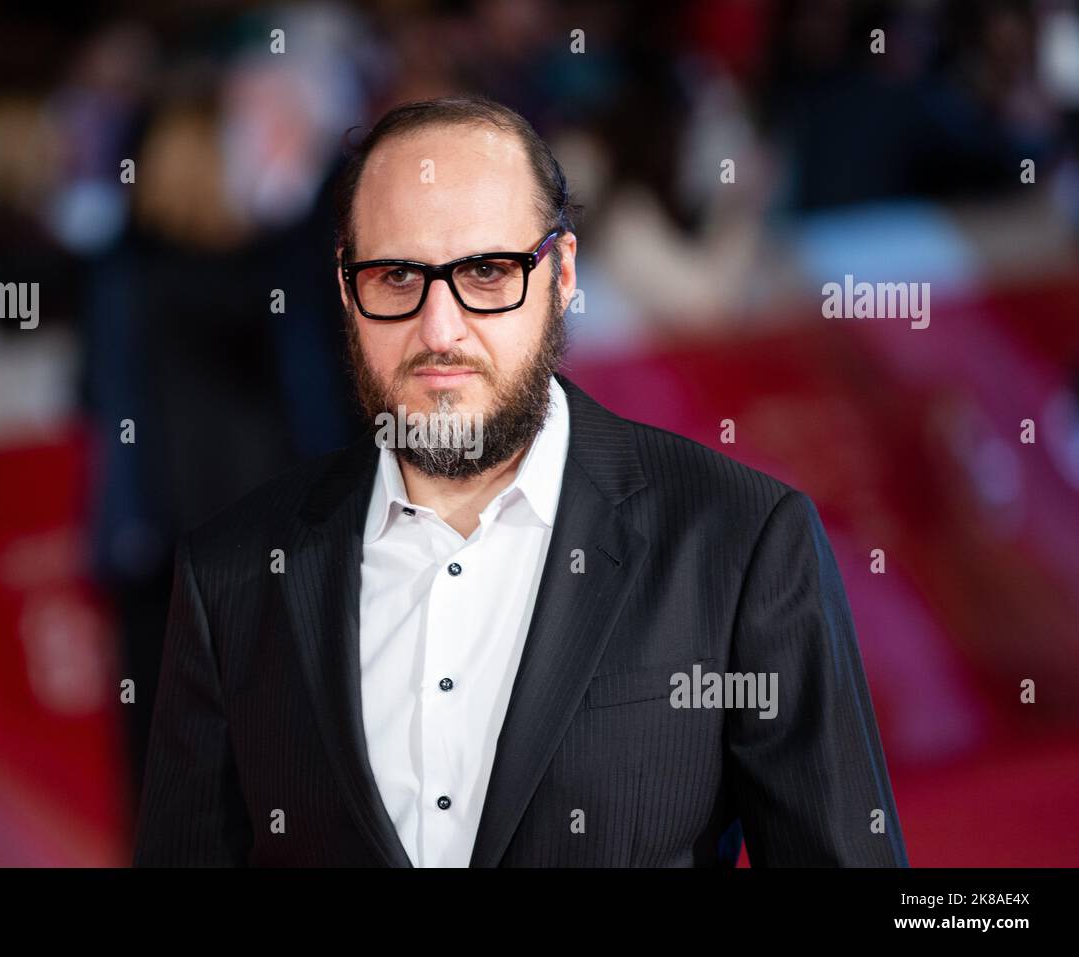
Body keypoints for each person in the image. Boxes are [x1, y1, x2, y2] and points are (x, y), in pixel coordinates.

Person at [133, 94, 907, 867]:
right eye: (397, 276)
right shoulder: (232, 576)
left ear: (562, 273)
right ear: (346, 289)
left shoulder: (738, 543)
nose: (440, 330)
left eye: (487, 271)